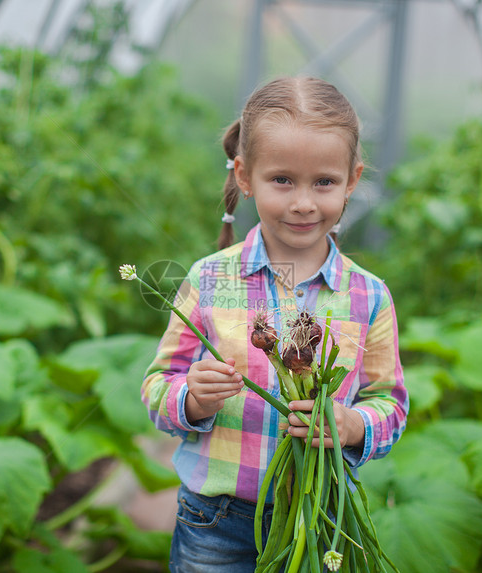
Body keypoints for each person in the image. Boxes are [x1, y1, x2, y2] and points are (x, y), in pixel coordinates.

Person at [141, 76, 408, 572]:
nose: (304, 202)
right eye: (282, 179)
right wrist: (190, 397)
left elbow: (390, 403)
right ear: (244, 176)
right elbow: (157, 386)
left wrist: (351, 425)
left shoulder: (367, 296)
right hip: (216, 520)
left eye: (324, 182)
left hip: (320, 515)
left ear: (352, 180)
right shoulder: (212, 278)